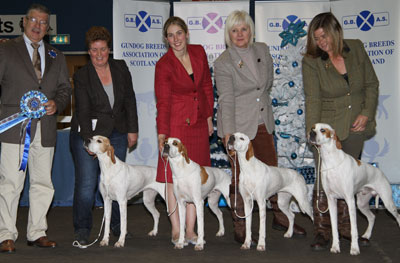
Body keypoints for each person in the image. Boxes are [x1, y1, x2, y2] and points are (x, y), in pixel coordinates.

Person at [214, 10, 306, 244]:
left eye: (244, 29)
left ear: (251, 31)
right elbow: (225, 99)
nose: (240, 34)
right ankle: (241, 224)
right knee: (239, 178)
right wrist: (228, 135)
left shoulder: (263, 50)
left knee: (272, 173)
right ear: (228, 34)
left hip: (264, 123)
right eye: (234, 30)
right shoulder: (223, 62)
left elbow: (265, 86)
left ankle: (281, 218)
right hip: (238, 128)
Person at [302, 12, 379, 251]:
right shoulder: (312, 62)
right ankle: (322, 231)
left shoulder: (356, 48)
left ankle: (346, 228)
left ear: (336, 31)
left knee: (348, 182)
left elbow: (371, 84)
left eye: (324, 36)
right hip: (327, 133)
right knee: (323, 184)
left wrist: (366, 112)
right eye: (317, 39)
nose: (321, 42)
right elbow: (313, 99)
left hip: (357, 126)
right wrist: (313, 134)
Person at [0, 4, 71, 253]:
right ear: (24, 21)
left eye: (43, 22)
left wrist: (57, 103)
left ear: (47, 27)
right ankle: (5, 235)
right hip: (13, 128)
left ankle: (37, 232)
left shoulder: (56, 55)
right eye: (34, 20)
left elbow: (64, 89)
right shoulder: (6, 50)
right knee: (10, 182)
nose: (38, 25)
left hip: (46, 128)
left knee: (43, 182)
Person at [70, 26, 138, 245]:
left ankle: (118, 227)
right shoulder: (82, 75)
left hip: (117, 132)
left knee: (118, 184)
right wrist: (91, 144)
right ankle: (82, 228)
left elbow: (129, 99)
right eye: (94, 50)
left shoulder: (121, 67)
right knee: (87, 184)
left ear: (109, 49)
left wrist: (132, 128)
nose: (99, 54)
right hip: (89, 135)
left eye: (103, 49)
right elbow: (82, 111)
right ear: (88, 51)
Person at [155, 16, 214, 245]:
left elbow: (207, 86)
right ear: (166, 39)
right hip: (176, 127)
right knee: (173, 181)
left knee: (195, 181)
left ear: (187, 33)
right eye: (170, 35)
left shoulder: (199, 52)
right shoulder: (164, 64)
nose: (176, 39)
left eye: (179, 33)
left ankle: (191, 231)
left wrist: (209, 117)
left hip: (199, 125)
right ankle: (176, 230)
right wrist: (163, 135)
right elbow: (162, 102)